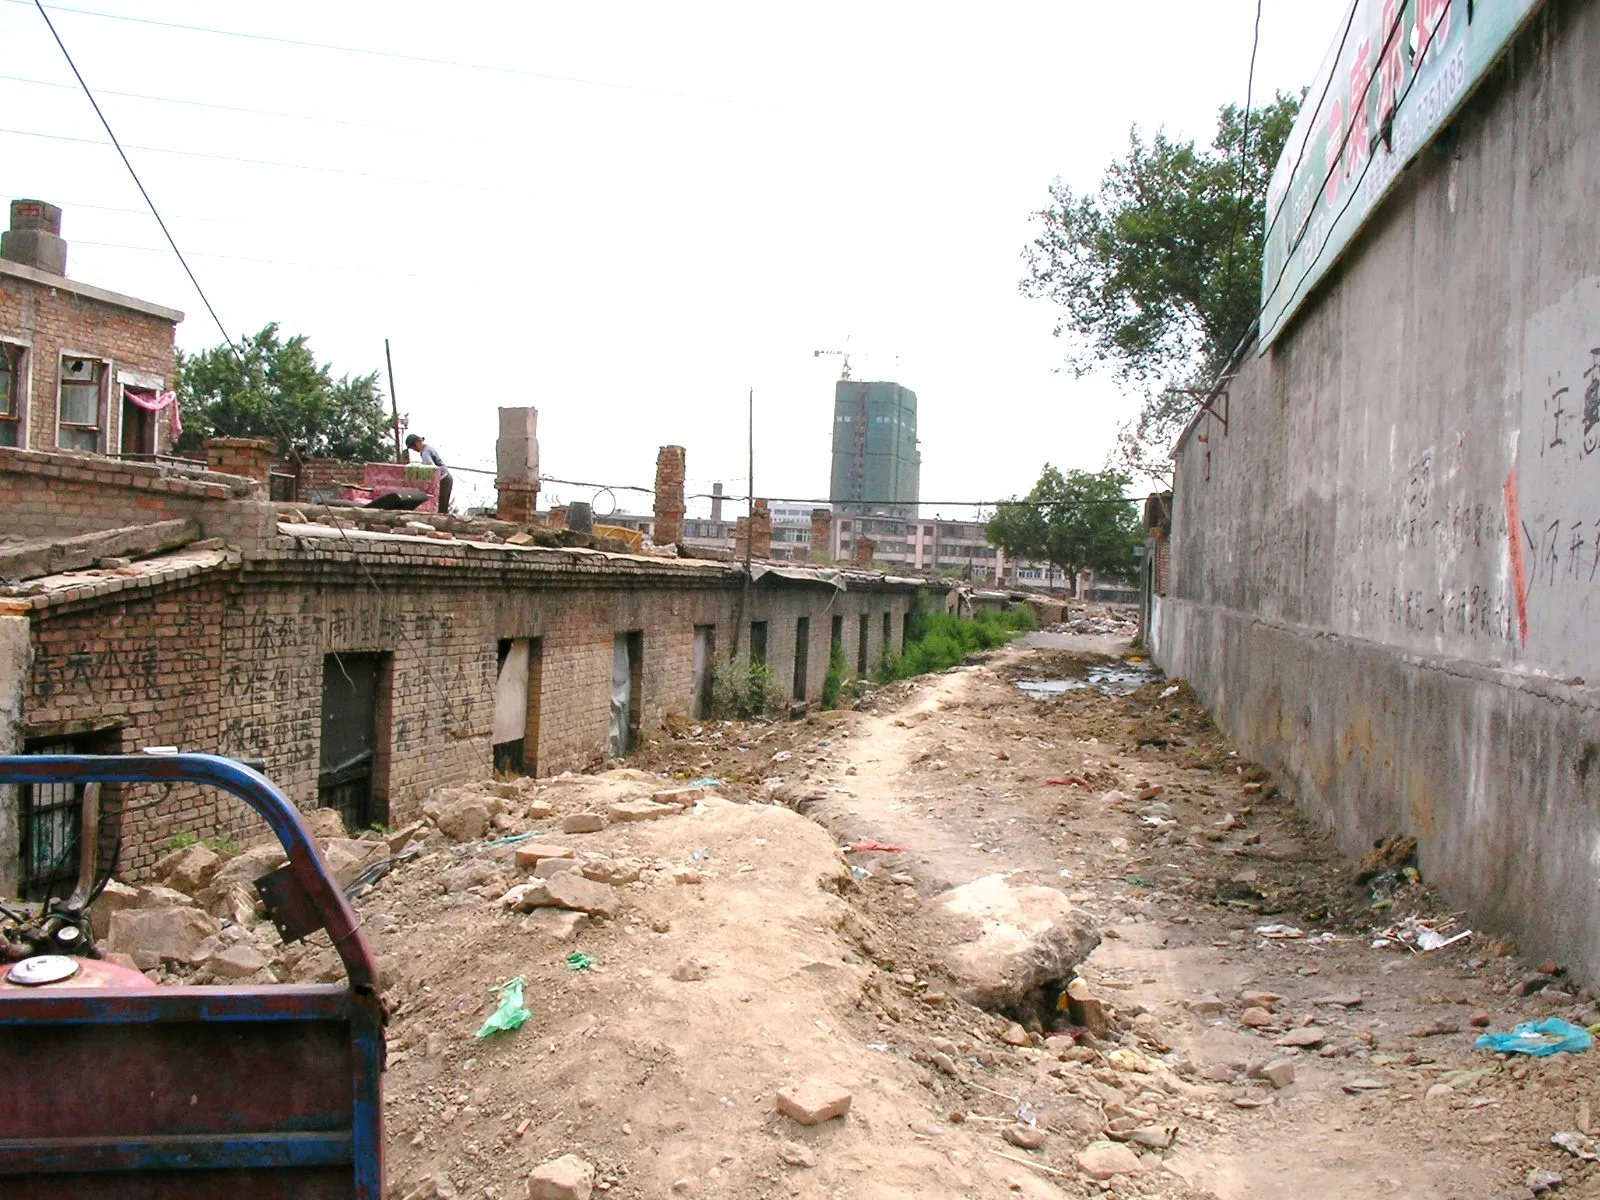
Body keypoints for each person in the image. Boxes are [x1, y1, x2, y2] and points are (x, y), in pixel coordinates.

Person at [405, 433, 453, 513]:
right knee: (443, 508)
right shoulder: (428, 448)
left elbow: (431, 468)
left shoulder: (425, 453)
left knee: (440, 508)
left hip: (443, 479)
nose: (414, 450)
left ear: (417, 443)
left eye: (413, 447)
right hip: (447, 477)